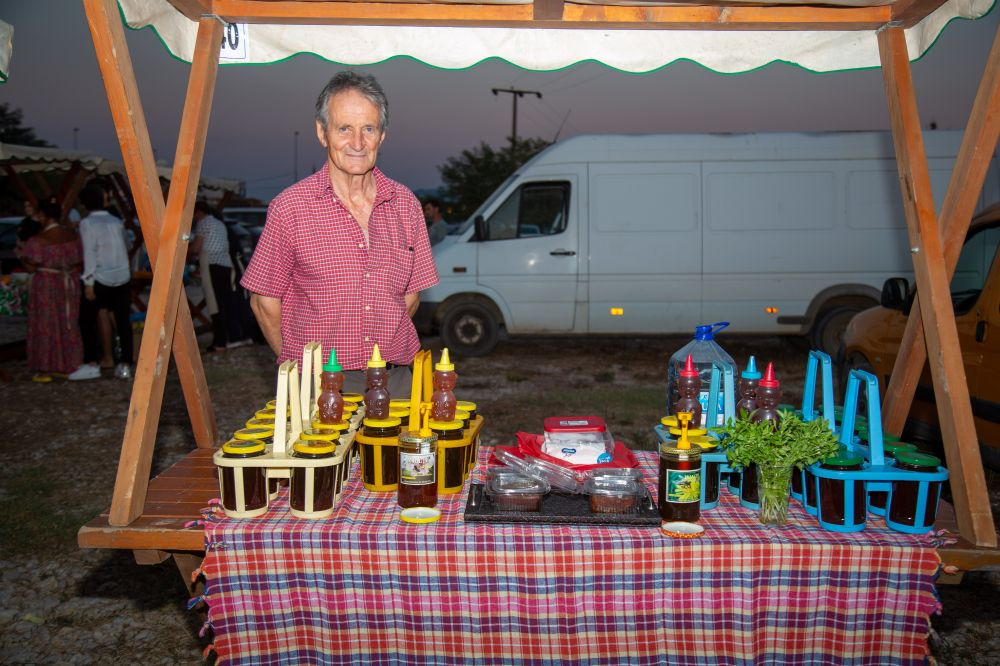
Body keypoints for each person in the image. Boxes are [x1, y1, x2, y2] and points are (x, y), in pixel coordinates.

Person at [241, 71, 439, 395]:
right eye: (344, 128)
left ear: (382, 135)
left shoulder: (406, 204)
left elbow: (411, 295)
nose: (357, 143)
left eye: (368, 129)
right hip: (322, 383)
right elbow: (264, 302)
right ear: (322, 132)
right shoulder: (290, 208)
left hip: (399, 381)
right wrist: (301, 372)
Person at [69, 183, 133, 381]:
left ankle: (92, 362)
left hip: (100, 276)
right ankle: (125, 363)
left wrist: (88, 281)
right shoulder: (116, 221)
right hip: (122, 275)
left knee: (86, 320)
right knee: (122, 321)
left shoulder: (87, 224)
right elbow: (127, 244)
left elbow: (89, 252)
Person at [16, 201, 83, 381]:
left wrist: (21, 256)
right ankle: (67, 362)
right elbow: (79, 260)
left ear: (43, 216)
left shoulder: (38, 241)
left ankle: (46, 366)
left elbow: (31, 266)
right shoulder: (72, 236)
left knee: (46, 323)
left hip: (46, 284)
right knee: (66, 322)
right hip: (68, 283)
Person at [189, 201, 240, 353]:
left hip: (212, 264)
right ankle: (226, 339)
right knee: (224, 303)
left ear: (198, 212)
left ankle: (219, 342)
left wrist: (185, 250)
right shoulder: (219, 223)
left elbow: (196, 247)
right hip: (226, 265)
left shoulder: (203, 223)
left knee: (214, 304)